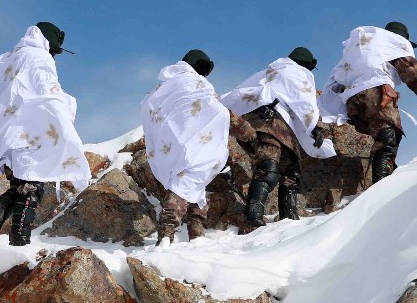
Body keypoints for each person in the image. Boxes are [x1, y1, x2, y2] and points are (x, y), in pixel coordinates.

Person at [0, 22, 91, 246]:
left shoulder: (12, 57)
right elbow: (46, 92)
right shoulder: (39, 57)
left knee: (20, 185)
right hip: (28, 136)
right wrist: (64, 119)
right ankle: (20, 241)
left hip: (5, 136)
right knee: (31, 188)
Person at [220, 47, 337, 228]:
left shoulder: (268, 72)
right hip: (269, 121)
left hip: (267, 123)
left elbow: (236, 96)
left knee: (290, 169)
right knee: (269, 167)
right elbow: (304, 101)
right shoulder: (294, 72)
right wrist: (316, 127)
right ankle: (253, 216)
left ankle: (288, 220)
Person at [319, 21, 417, 182]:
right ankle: (382, 187)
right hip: (377, 94)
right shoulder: (393, 44)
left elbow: (336, 79)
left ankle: (386, 174)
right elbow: (414, 74)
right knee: (387, 139)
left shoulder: (361, 47)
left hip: (353, 101)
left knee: (385, 137)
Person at [140, 49, 236, 246]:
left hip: (168, 143)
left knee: (194, 184)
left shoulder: (162, 86)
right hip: (192, 143)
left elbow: (149, 109)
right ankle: (166, 236)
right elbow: (216, 110)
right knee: (189, 180)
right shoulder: (196, 83)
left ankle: (196, 236)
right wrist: (247, 132)